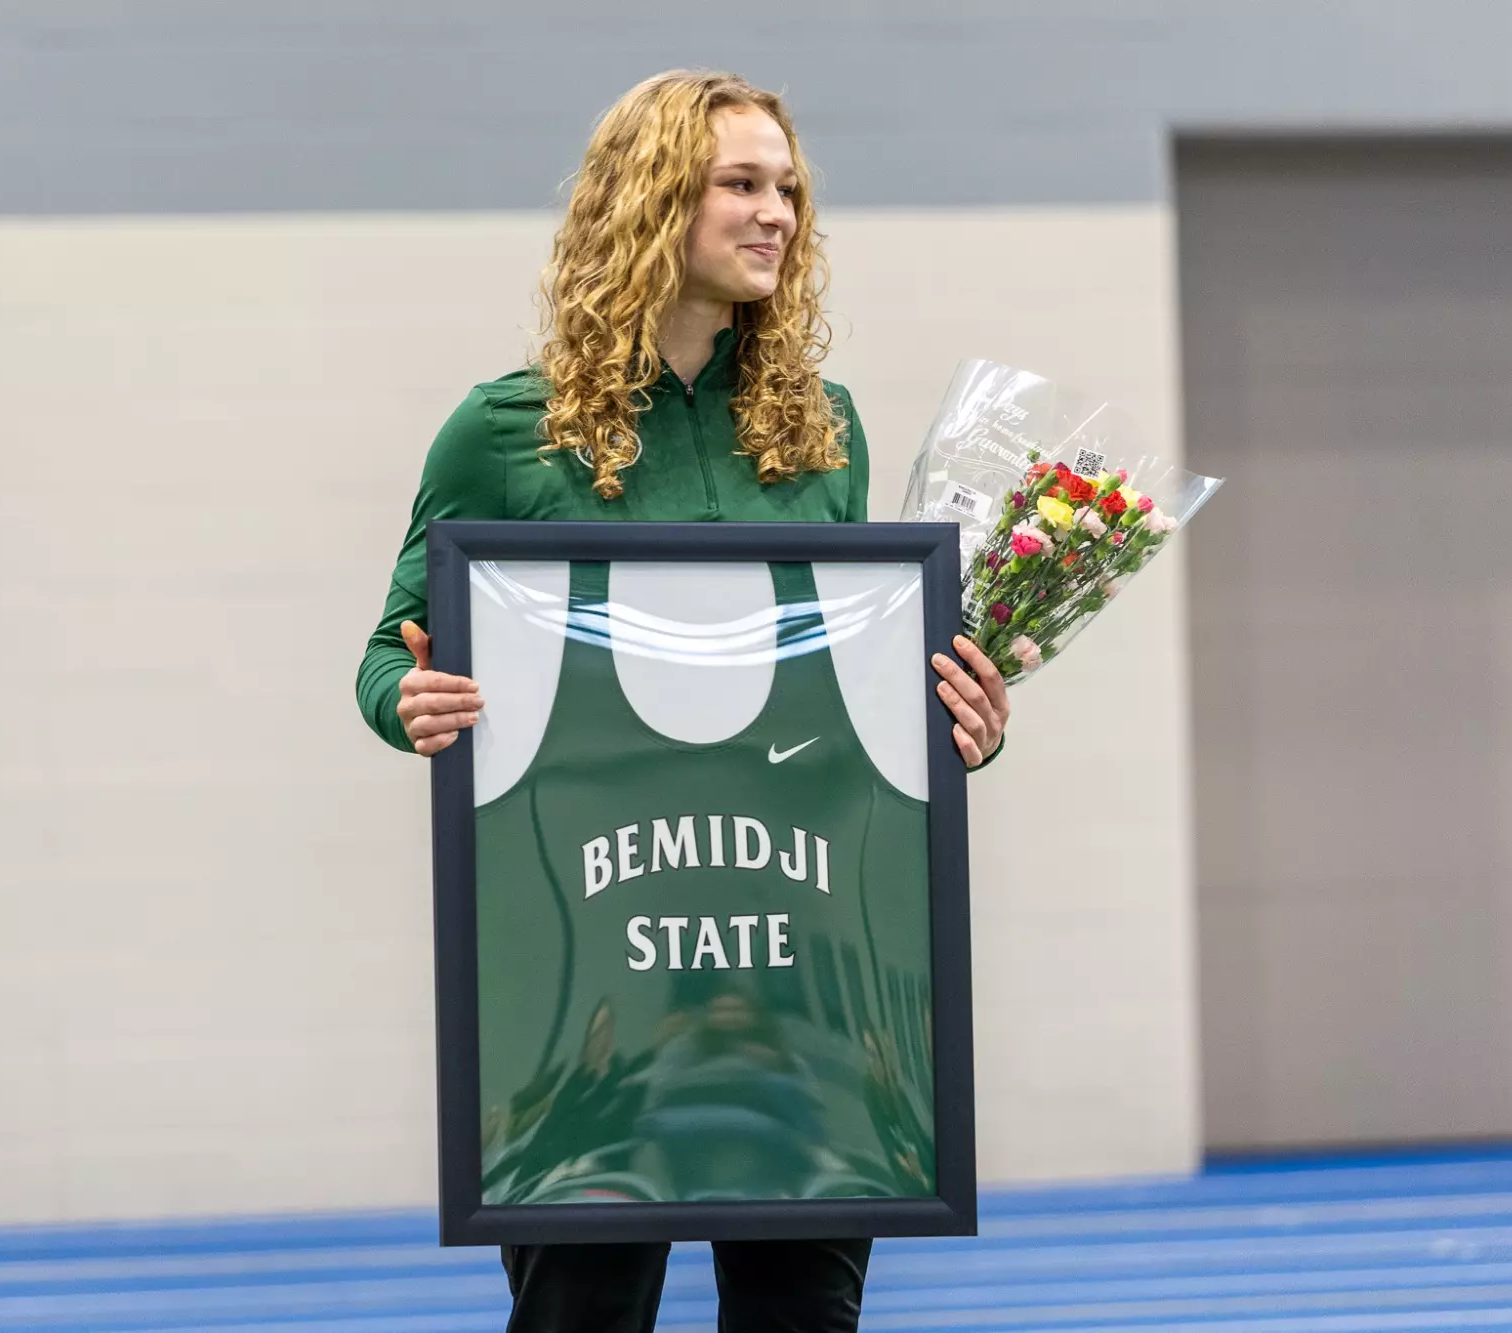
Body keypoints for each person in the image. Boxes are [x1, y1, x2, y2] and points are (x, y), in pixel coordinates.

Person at [355, 69, 1010, 1333]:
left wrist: (957, 712)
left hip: (795, 968)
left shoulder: (824, 430)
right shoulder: (504, 430)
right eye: (741, 184)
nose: (778, 215)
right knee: (582, 1315)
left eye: (788, 190)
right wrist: (413, 701)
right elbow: (390, 651)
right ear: (653, 200)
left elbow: (849, 673)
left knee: (801, 1313)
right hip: (591, 983)